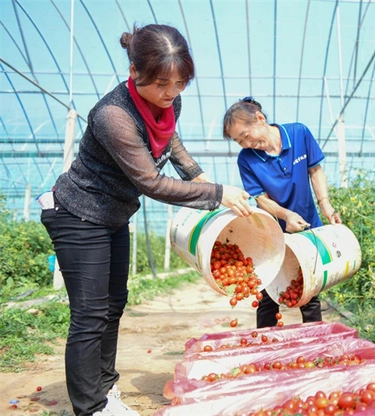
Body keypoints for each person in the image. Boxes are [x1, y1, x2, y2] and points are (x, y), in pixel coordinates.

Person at [40, 24, 252, 416]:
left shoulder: (170, 102)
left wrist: (197, 175)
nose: (170, 93)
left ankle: (105, 391)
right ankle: (91, 408)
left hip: (114, 215)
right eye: (161, 84)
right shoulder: (112, 115)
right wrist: (216, 192)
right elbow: (150, 182)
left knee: (114, 305)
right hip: (78, 214)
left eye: (180, 83)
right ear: (135, 72)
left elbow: (169, 140)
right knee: (89, 314)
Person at [222, 97, 341, 328]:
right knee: (269, 293)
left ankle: (315, 340)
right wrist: (285, 216)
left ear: (260, 119)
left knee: (309, 288)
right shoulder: (246, 159)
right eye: (239, 141)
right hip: (273, 232)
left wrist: (325, 204)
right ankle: (266, 347)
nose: (246, 144)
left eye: (246, 136)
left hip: (308, 226)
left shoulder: (298, 133)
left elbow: (315, 171)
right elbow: (261, 200)